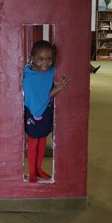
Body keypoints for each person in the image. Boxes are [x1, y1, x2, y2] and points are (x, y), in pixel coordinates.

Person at [23, 40, 70, 182]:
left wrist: (56, 84)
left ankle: (39, 169)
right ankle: (31, 171)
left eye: (49, 59)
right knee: (33, 142)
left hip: (46, 112)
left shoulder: (50, 72)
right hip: (32, 112)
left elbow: (46, 86)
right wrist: (58, 88)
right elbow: (39, 93)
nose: (45, 63)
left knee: (43, 140)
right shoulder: (27, 73)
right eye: (40, 59)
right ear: (32, 59)